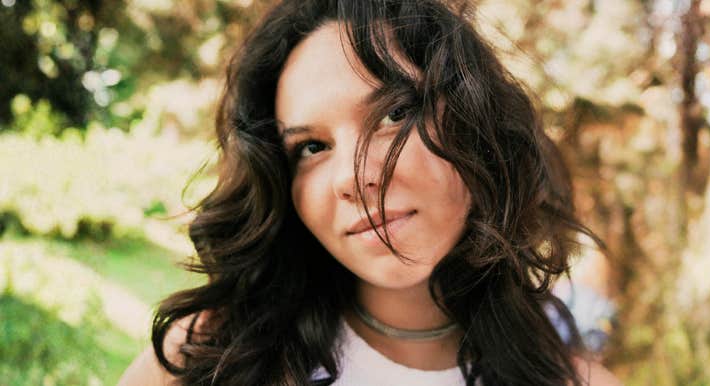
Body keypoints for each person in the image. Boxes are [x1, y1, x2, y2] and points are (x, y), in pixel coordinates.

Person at [118, 0, 621, 385]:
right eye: (312, 147)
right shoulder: (209, 353)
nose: (354, 179)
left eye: (395, 114)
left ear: (477, 123)